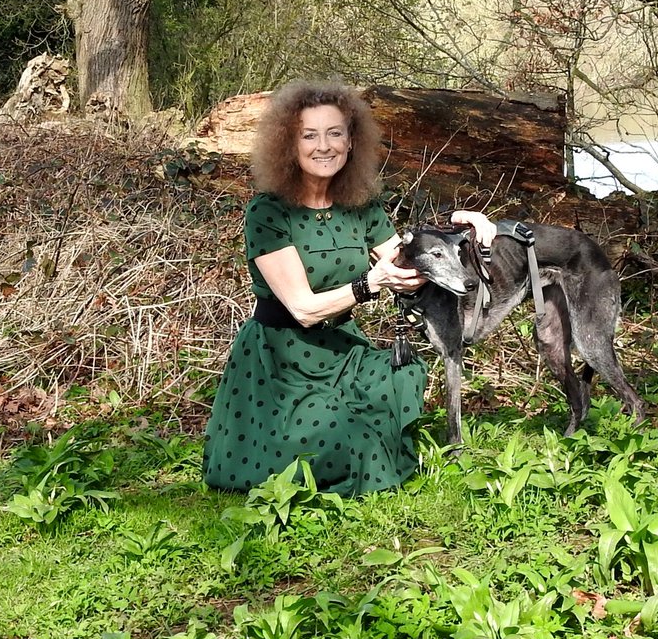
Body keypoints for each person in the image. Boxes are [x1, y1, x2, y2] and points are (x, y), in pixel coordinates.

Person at [203, 80, 495, 497]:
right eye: (309, 135)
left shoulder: (361, 205)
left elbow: (407, 262)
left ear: (352, 140)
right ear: (289, 144)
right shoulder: (268, 212)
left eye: (335, 133)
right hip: (280, 361)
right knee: (348, 435)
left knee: (400, 377)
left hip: (342, 350)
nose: (324, 146)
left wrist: (455, 229)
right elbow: (302, 309)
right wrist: (367, 284)